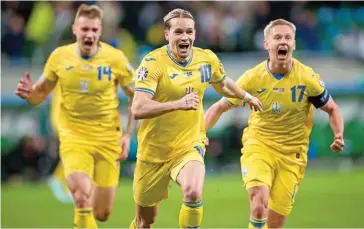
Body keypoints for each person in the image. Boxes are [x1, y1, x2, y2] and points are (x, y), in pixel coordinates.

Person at [129, 8, 263, 229]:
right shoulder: (152, 63)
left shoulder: (206, 59)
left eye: (189, 32)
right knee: (145, 221)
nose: (185, 37)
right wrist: (179, 104)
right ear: (167, 35)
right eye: (179, 32)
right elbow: (138, 107)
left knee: (192, 192)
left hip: (188, 146)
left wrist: (246, 96)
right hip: (153, 152)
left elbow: (223, 83)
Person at [204, 19, 344, 228]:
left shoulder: (307, 78)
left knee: (274, 223)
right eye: (277, 37)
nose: (283, 42)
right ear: (266, 44)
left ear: (294, 44)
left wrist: (338, 134)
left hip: (293, 155)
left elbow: (332, 108)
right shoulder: (252, 78)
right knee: (259, 203)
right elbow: (218, 107)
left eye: (288, 38)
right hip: (259, 146)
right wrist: (199, 133)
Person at [15, 4, 136, 228]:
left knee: (102, 213)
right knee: (81, 198)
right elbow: (40, 94)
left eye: (94, 30)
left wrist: (128, 134)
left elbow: (137, 96)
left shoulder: (115, 59)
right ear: (75, 30)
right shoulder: (59, 57)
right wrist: (29, 94)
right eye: (84, 29)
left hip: (108, 140)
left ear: (100, 31)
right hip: (74, 138)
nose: (89, 34)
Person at [47, 83, 73, 204]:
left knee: (73, 152)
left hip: (64, 119)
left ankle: (64, 183)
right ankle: (58, 179)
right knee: (73, 152)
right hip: (63, 120)